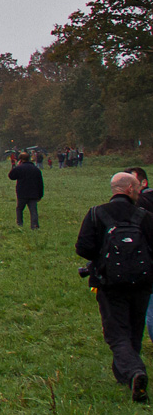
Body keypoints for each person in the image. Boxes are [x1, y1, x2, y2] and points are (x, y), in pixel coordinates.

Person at [75, 172, 153, 401]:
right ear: (129, 189)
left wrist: (102, 260)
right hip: (141, 284)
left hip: (109, 283)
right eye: (137, 188)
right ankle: (127, 376)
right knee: (134, 329)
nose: (139, 192)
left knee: (116, 334)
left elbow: (83, 248)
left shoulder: (96, 214)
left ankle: (133, 372)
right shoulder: (145, 216)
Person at [9, 156, 45, 230]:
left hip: (22, 193)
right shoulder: (36, 169)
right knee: (33, 211)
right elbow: (40, 184)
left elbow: (11, 176)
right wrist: (40, 195)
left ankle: (20, 224)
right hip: (33, 193)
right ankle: (34, 226)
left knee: (19, 209)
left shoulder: (19, 168)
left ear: (21, 159)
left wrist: (16, 166)